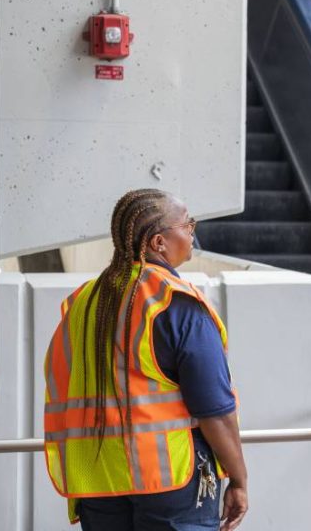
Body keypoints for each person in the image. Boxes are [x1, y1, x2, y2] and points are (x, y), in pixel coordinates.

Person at [43, 189, 249, 530]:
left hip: (98, 478)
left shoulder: (83, 302)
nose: (193, 233)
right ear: (159, 242)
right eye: (188, 224)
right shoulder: (175, 303)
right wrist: (239, 479)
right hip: (170, 483)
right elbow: (215, 409)